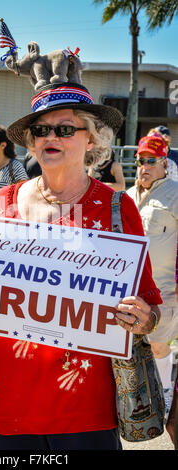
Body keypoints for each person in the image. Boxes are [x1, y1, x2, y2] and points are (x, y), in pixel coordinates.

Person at [0, 76, 162, 450]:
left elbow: (149, 305)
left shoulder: (117, 208)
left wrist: (143, 317)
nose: (51, 137)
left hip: (84, 407)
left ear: (91, 139)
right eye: (41, 130)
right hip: (5, 400)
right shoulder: (4, 202)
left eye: (65, 129)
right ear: (31, 140)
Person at [127, 134, 178, 416]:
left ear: (163, 163)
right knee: (134, 346)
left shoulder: (175, 193)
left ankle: (165, 396)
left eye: (150, 161)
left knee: (159, 344)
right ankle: (141, 400)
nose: (144, 167)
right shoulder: (129, 196)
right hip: (131, 287)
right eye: (140, 161)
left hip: (164, 286)